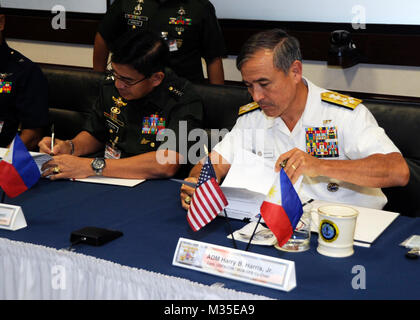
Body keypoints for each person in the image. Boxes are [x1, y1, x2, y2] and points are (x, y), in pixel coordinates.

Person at [180, 29, 410, 211]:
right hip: (277, 228)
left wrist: (319, 165)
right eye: (249, 86)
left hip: (349, 229)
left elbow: (398, 171)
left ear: (295, 71)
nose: (257, 96)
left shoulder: (342, 113)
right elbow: (215, 162)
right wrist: (197, 182)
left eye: (264, 84)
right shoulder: (252, 117)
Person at [39, 31, 203, 180]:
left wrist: (90, 166)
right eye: (115, 73)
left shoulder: (182, 100)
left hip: (153, 185)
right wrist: (70, 147)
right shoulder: (111, 85)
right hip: (107, 176)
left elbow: (166, 164)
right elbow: (96, 133)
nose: (118, 84)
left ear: (156, 79)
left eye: (127, 80)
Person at [93, 0, 226, 84]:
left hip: (182, 94)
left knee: (180, 129)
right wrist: (98, 80)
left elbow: (213, 57)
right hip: (135, 90)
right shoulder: (126, 2)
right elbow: (103, 36)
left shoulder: (200, 6)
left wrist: (216, 99)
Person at [0, 7, 49, 150]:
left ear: (1, 22)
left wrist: (6, 161)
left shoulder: (26, 71)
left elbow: (33, 134)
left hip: (6, 157)